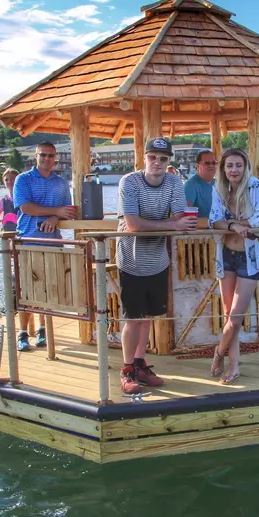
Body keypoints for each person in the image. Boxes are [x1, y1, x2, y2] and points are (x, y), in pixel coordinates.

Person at [116, 137, 198, 394]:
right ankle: (127, 370)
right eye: (153, 157)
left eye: (163, 158)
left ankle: (140, 364)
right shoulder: (129, 182)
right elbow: (133, 225)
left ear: (169, 161)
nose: (157, 163)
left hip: (158, 260)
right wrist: (173, 225)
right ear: (144, 157)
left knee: (148, 317)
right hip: (131, 259)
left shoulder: (174, 181)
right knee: (133, 318)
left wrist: (179, 222)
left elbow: (180, 217)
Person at [208, 148, 259, 384]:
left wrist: (230, 223)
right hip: (227, 255)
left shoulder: (254, 187)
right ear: (223, 169)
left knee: (235, 318)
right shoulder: (219, 189)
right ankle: (233, 366)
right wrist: (234, 226)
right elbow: (215, 220)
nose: (234, 170)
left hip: (250, 258)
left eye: (238, 165)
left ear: (245, 167)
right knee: (228, 315)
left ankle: (218, 354)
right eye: (229, 166)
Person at [13, 142, 76, 351]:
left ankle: (43, 330)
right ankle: (22, 332)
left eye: (51, 156)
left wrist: (54, 216)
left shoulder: (61, 183)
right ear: (36, 156)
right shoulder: (23, 179)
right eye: (43, 155)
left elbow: (67, 211)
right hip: (28, 240)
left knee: (49, 290)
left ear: (55, 158)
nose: (47, 159)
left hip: (53, 242)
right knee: (27, 291)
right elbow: (25, 207)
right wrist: (56, 211)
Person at [184, 150, 218, 218]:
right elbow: (186, 217)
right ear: (197, 166)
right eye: (207, 163)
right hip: (203, 228)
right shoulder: (190, 186)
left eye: (214, 163)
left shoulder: (219, 184)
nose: (211, 165)